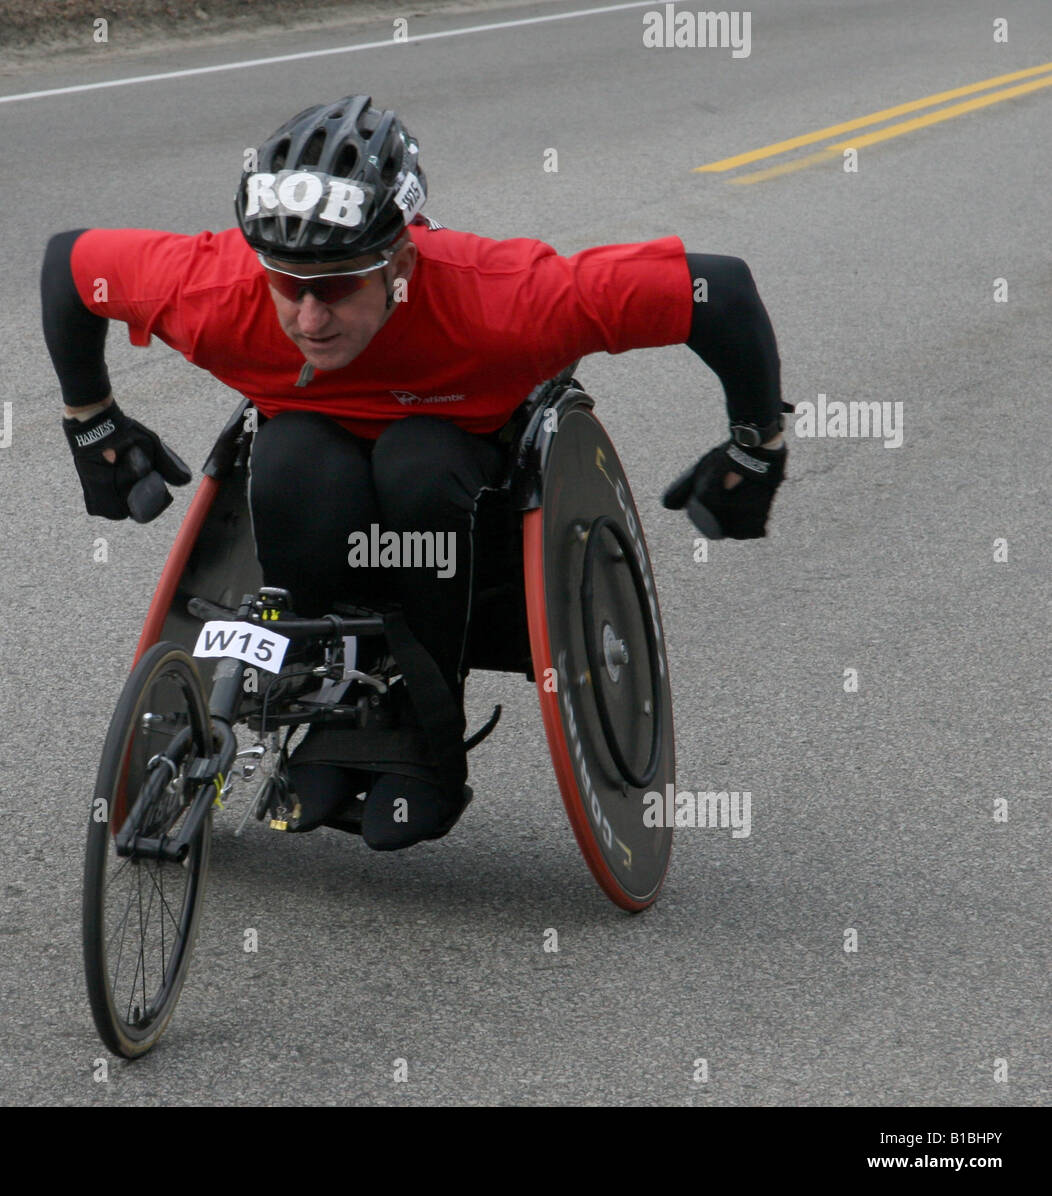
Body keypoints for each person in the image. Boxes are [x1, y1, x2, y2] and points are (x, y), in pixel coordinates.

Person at [41, 94, 788, 852]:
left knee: (418, 460)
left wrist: (756, 445)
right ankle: (337, 708)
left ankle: (425, 722)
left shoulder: (502, 299)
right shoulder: (215, 291)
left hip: (468, 504)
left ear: (399, 263)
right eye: (286, 283)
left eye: (335, 286)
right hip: (319, 489)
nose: (307, 317)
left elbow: (716, 292)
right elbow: (70, 265)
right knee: (292, 451)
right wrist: (91, 419)